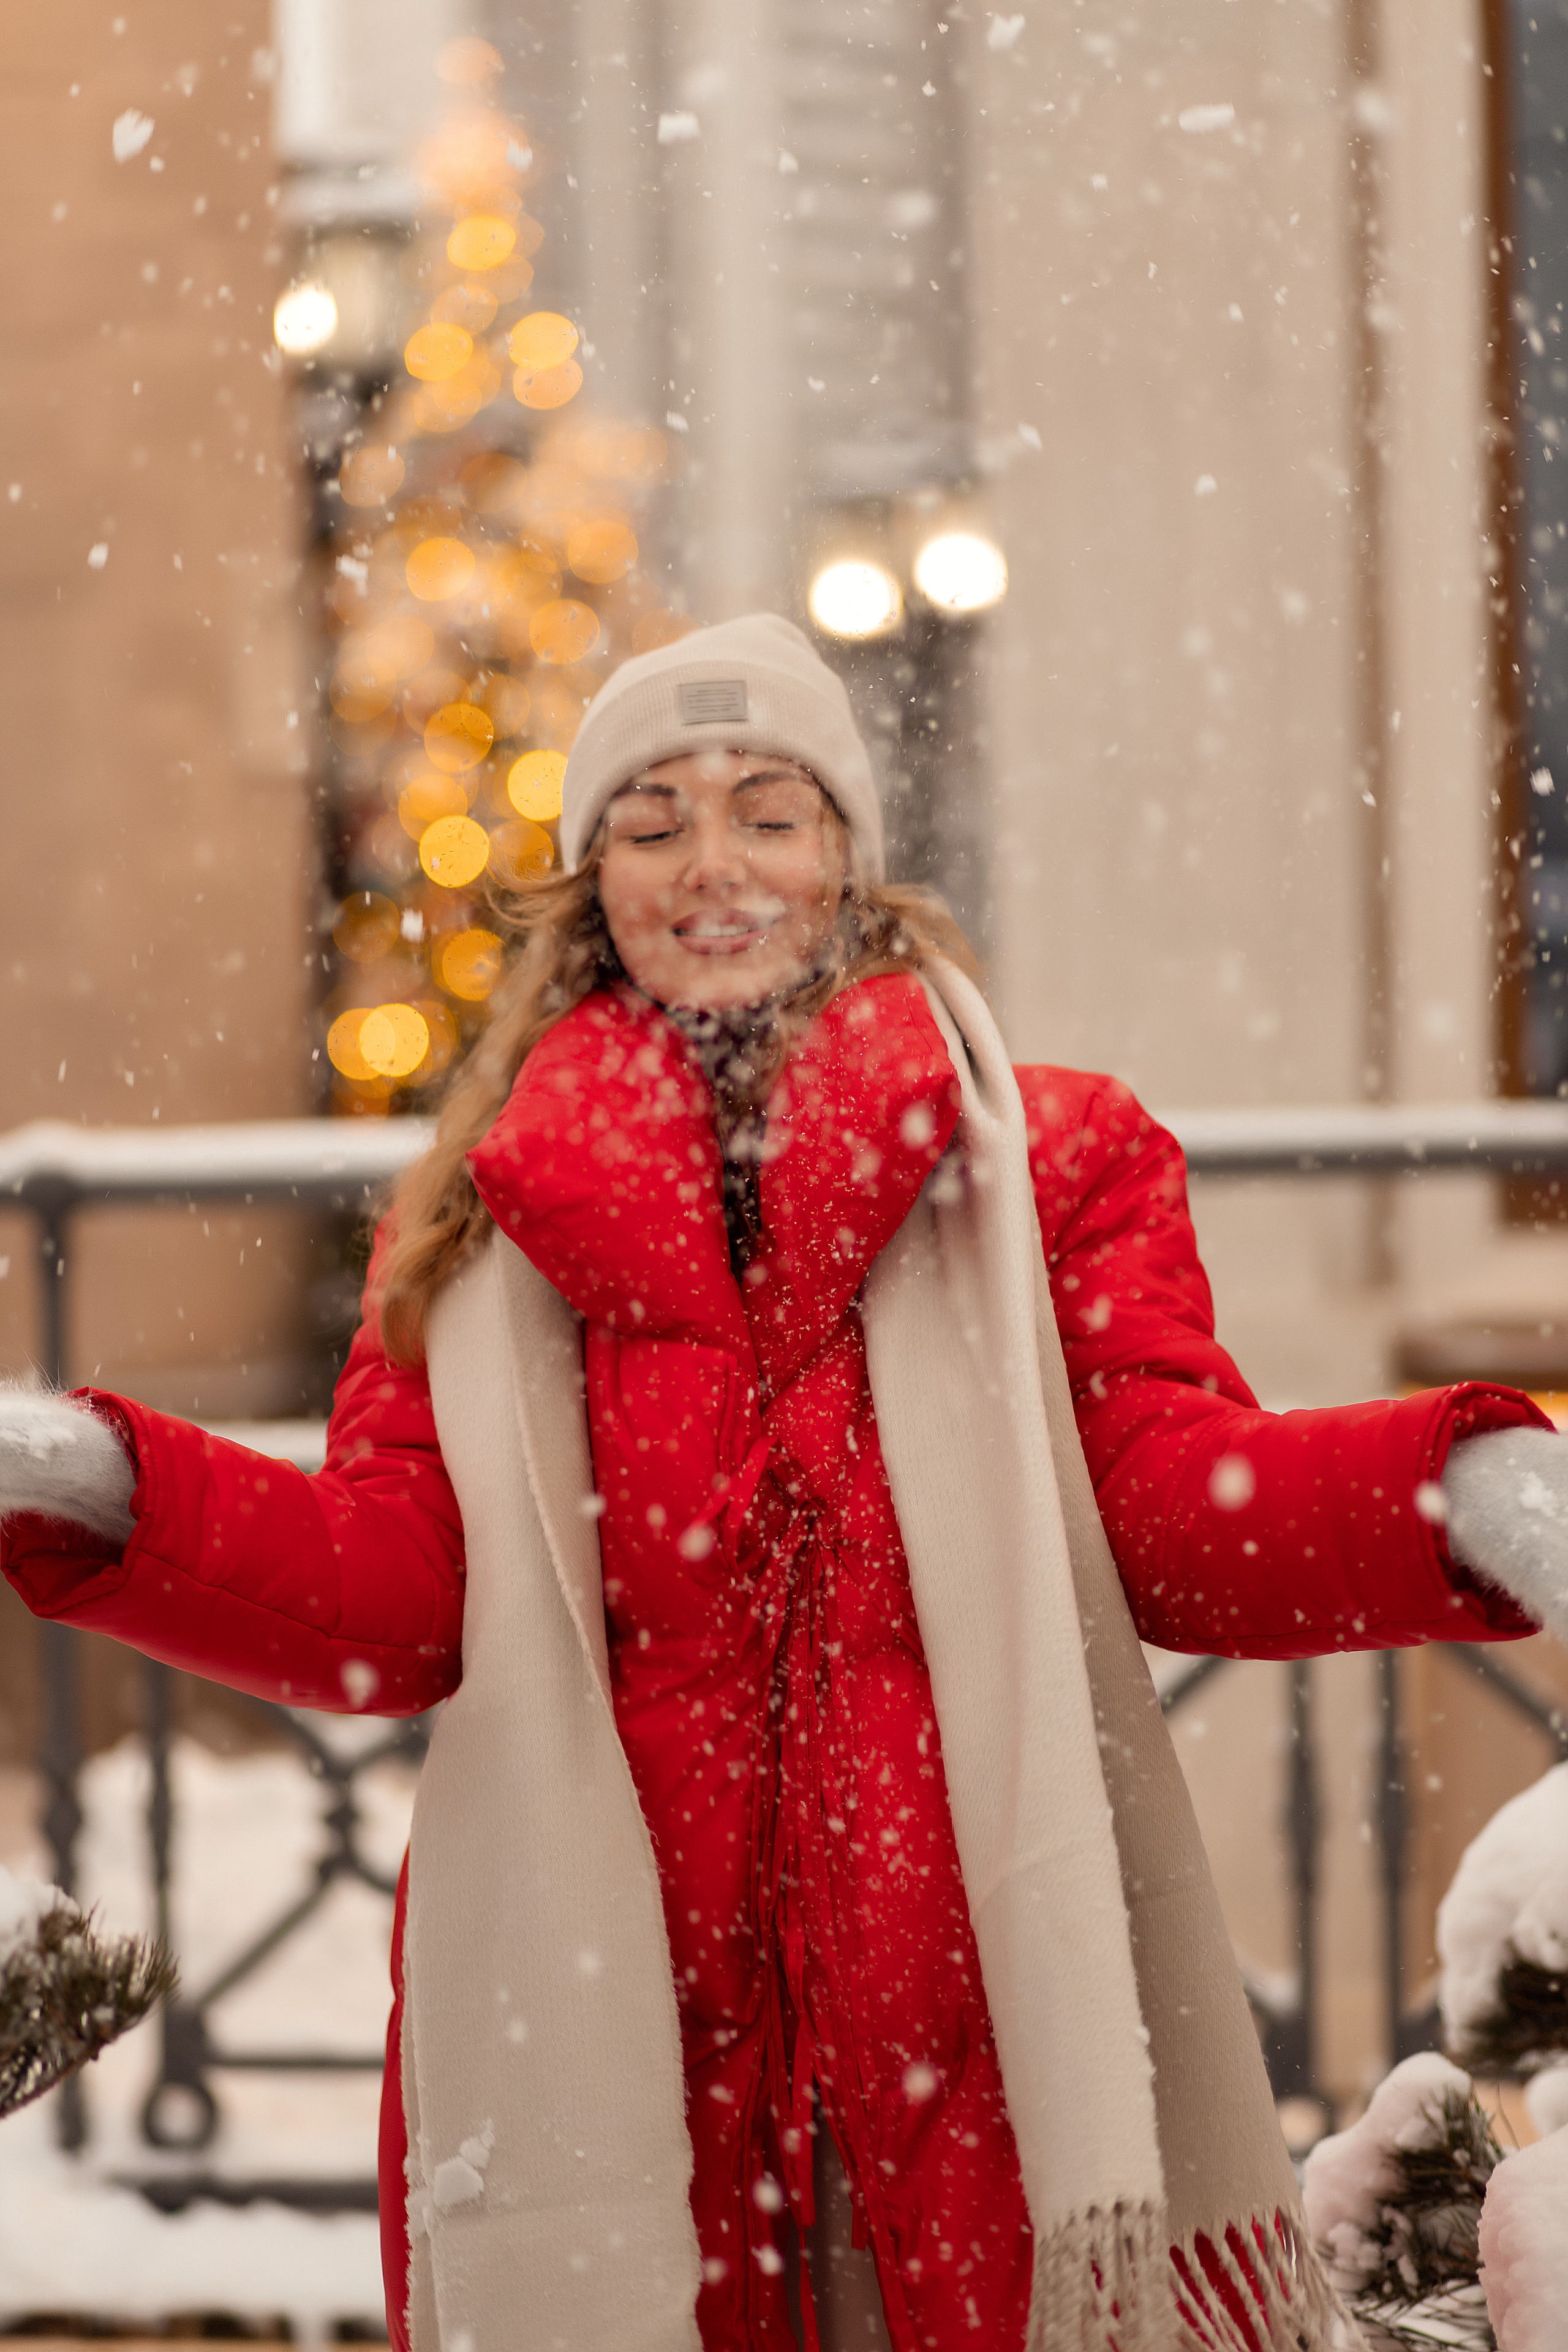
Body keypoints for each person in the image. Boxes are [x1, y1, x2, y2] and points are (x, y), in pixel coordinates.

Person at [1, 612, 1566, 2352]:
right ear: (596, 882)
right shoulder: (478, 1215)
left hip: (973, 2022)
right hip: (621, 2041)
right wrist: (104, 1485)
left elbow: (1173, 1513)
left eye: (768, 809)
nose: (712, 863)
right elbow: (390, 1589)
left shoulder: (1052, 1165)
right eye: (654, 820)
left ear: (848, 856)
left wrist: (1462, 1488)